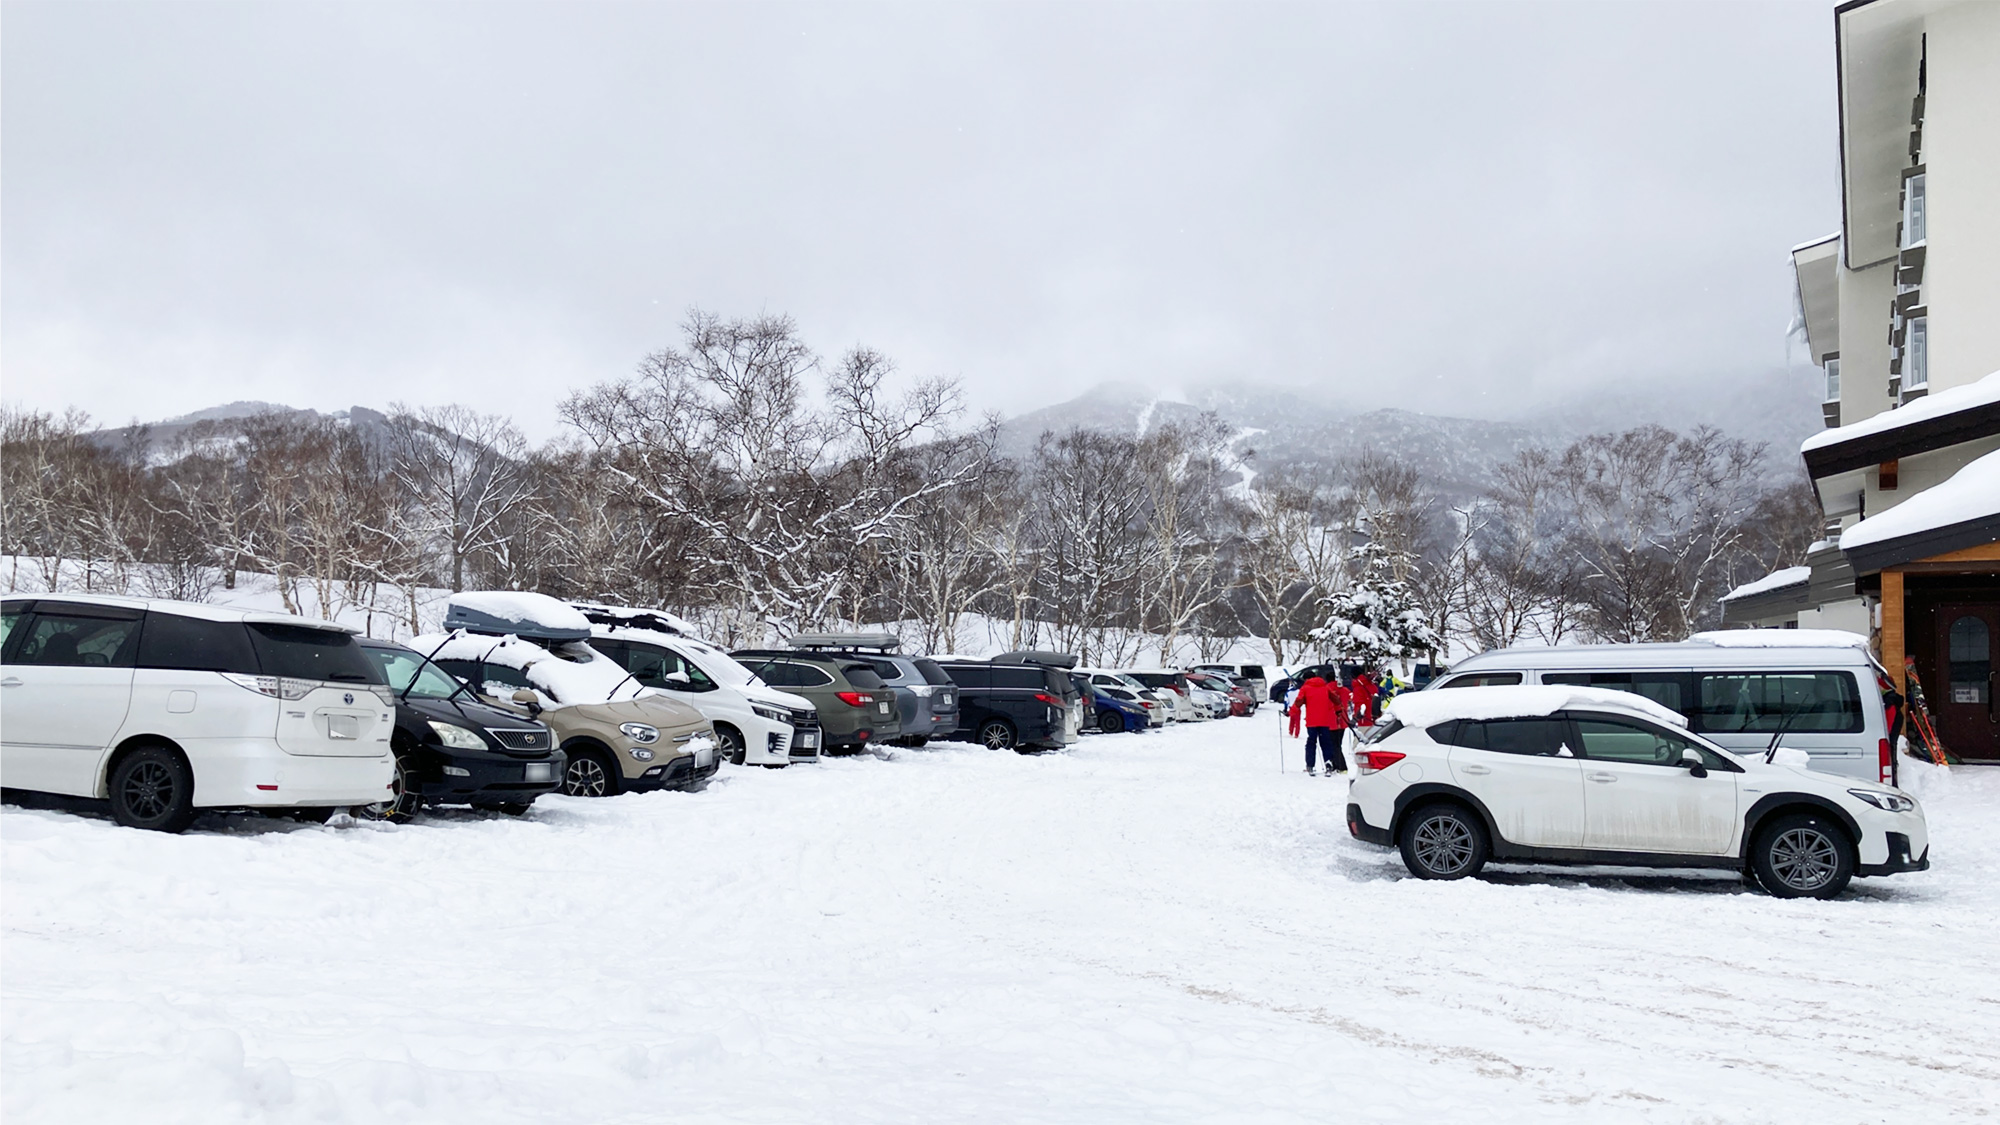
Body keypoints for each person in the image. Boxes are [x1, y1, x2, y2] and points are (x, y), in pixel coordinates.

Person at [1286, 672, 1351, 775]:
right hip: (1325, 720)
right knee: (1326, 743)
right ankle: (1328, 764)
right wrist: (1338, 710)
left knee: (1311, 742)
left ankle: (1310, 765)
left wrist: (1290, 712)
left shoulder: (1305, 688)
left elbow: (1299, 701)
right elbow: (1335, 699)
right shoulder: (1325, 687)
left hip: (1312, 721)